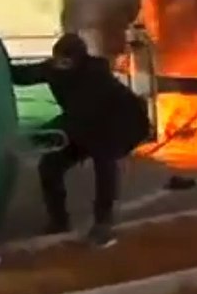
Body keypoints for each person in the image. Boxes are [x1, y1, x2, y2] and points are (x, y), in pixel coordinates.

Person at [11, 33, 151, 247]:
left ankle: (103, 223)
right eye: (58, 60)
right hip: (84, 126)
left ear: (79, 60)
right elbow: (23, 75)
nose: (61, 66)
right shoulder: (52, 69)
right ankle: (59, 220)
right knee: (50, 166)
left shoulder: (96, 76)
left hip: (117, 125)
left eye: (66, 61)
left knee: (104, 163)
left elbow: (80, 116)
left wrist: (47, 133)